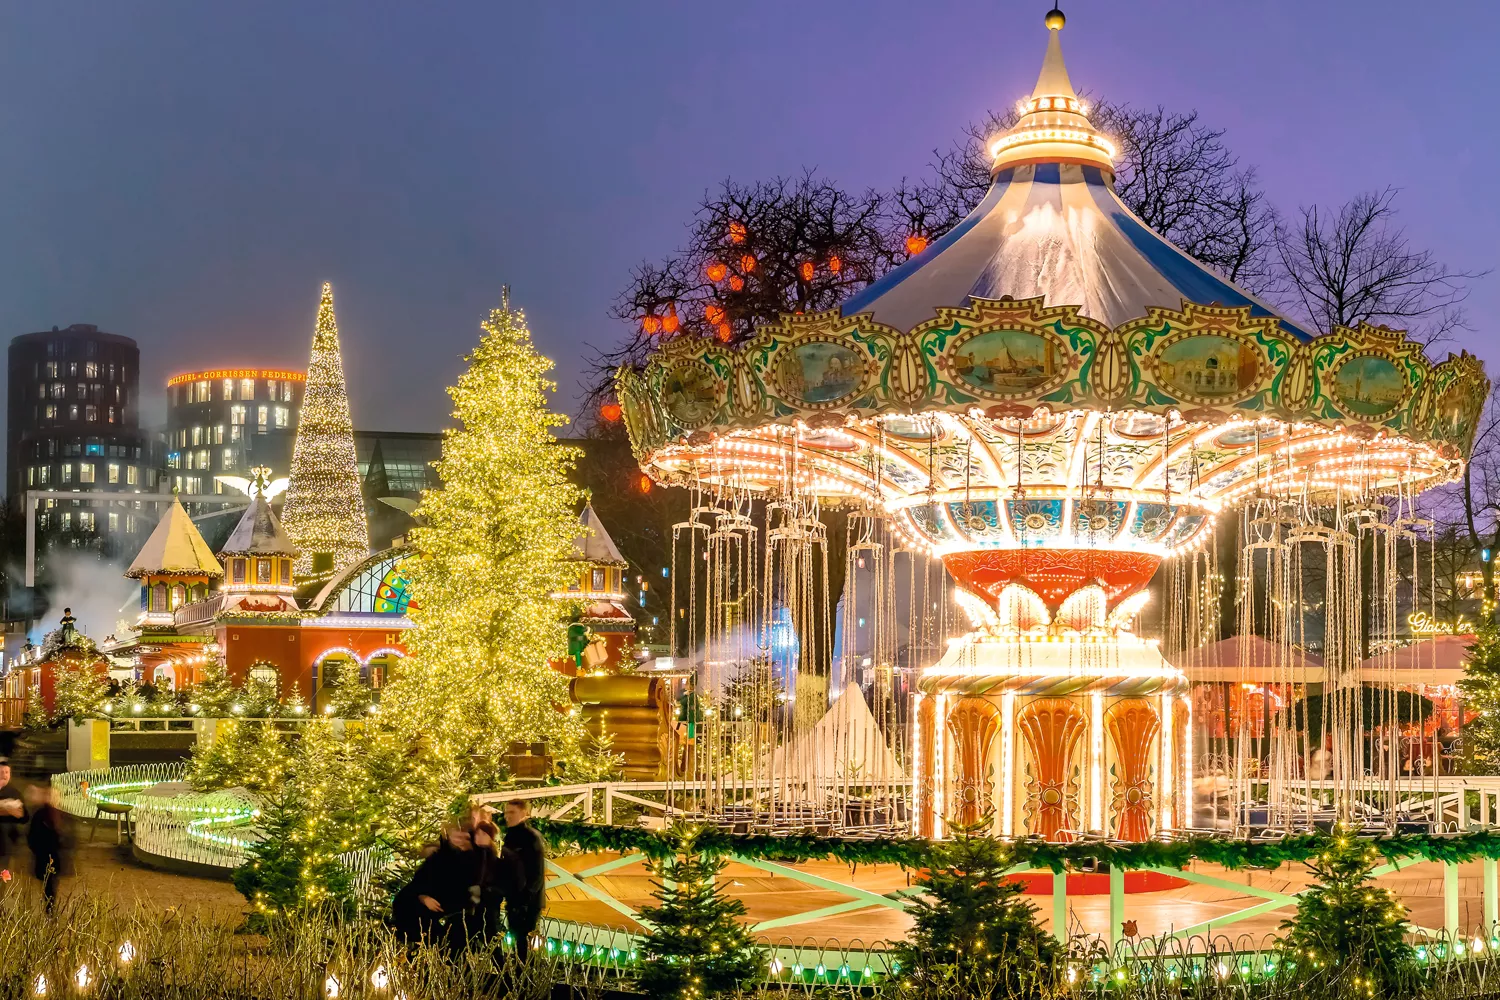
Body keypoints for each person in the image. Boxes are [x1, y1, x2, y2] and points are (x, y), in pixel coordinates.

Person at [391, 820, 479, 951]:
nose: (460, 841)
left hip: (456, 915)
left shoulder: (473, 858)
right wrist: (423, 897)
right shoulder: (439, 857)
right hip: (432, 913)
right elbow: (419, 882)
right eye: (457, 837)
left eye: (464, 838)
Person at [502, 799, 546, 962]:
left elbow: (536, 871)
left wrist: (526, 898)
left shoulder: (530, 837)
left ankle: (526, 977)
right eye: (506, 812)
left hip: (527, 901)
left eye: (512, 812)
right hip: (514, 897)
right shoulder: (510, 836)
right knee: (516, 939)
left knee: (524, 942)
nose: (507, 816)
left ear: (524, 814)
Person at [25, 785, 70, 913]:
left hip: (55, 858)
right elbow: (32, 836)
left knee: (50, 886)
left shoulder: (60, 815)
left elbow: (68, 837)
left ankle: (49, 909)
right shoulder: (40, 815)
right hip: (44, 857)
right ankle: (49, 910)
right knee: (48, 886)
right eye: (50, 795)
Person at [0, 759, 26, 877]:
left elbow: (24, 818)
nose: (4, 775)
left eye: (7, 772)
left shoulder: (14, 793)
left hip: (5, 845)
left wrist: (19, 813)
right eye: (1, 772)